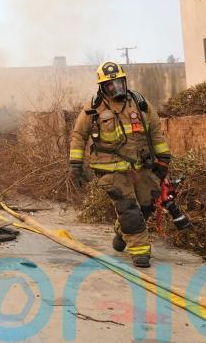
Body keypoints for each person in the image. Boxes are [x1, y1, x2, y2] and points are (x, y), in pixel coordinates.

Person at [69, 61, 171, 268]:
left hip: (140, 166)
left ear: (125, 81)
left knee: (146, 205)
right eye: (110, 85)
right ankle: (140, 253)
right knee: (128, 209)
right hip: (109, 168)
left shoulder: (140, 103)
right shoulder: (93, 108)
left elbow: (155, 131)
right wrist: (75, 165)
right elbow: (79, 135)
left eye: (119, 83)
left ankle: (121, 232)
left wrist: (163, 159)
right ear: (102, 87)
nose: (116, 88)